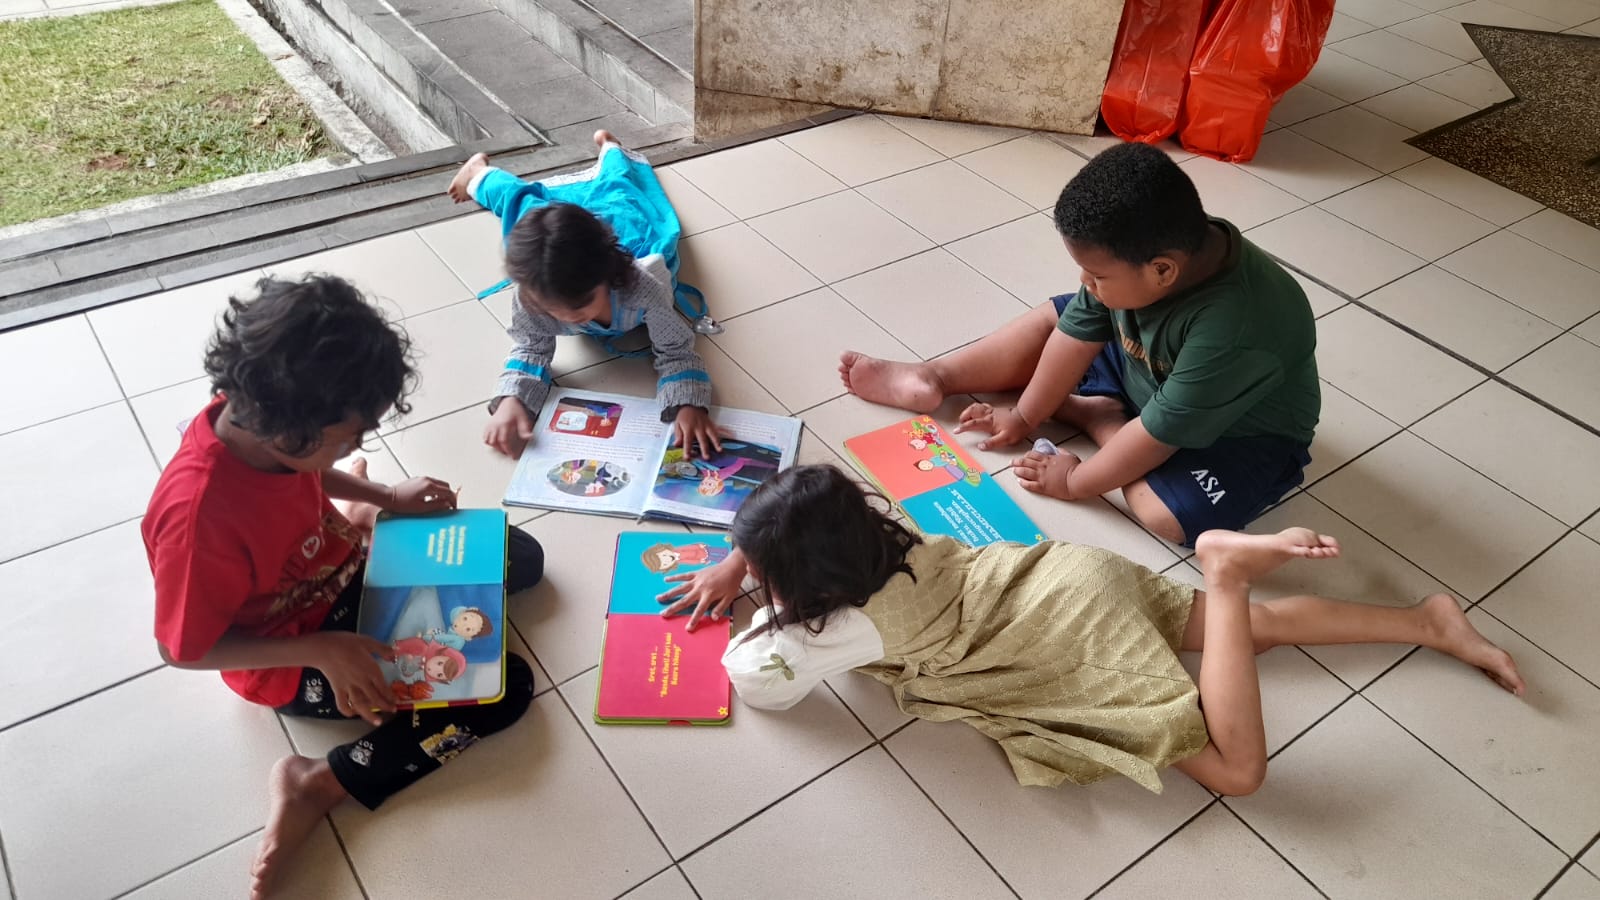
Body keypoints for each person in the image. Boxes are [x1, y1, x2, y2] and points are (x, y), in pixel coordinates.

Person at [657, 465, 1524, 796]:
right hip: (1065, 577)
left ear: (802, 581)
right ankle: (1426, 622)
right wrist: (747, 557)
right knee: (1253, 631)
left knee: (1237, 773)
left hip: (1064, 648)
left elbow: (756, 679)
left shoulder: (830, 631)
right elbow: (809, 514)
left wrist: (754, 596)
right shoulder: (880, 539)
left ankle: (1224, 573)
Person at [142, 274, 547, 900]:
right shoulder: (198, 521)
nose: (355, 447)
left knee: (520, 558)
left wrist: (386, 495)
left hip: (342, 571)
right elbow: (182, 650)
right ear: (289, 431)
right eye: (347, 440)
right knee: (505, 689)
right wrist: (322, 651)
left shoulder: (255, 416)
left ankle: (360, 525)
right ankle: (317, 785)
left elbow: (301, 471)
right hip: (291, 657)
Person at [838, 142, 1320, 547]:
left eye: (1097, 275)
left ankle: (1098, 415)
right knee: (1055, 320)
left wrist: (1072, 481)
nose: (1087, 283)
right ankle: (935, 375)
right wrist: (1024, 416)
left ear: (1162, 270)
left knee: (1165, 515)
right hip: (1148, 371)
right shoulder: (1159, 242)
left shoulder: (1235, 329)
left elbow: (1159, 436)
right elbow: (1073, 333)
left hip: (1233, 436)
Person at [448, 130, 721, 461]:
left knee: (619, 188)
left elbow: (676, 349)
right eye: (554, 309)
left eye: (580, 305)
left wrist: (688, 404)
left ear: (607, 277)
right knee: (520, 203)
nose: (567, 317)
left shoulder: (643, 286)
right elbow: (531, 345)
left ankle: (609, 145)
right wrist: (511, 400)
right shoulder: (531, 292)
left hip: (624, 229)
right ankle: (478, 172)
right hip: (550, 243)